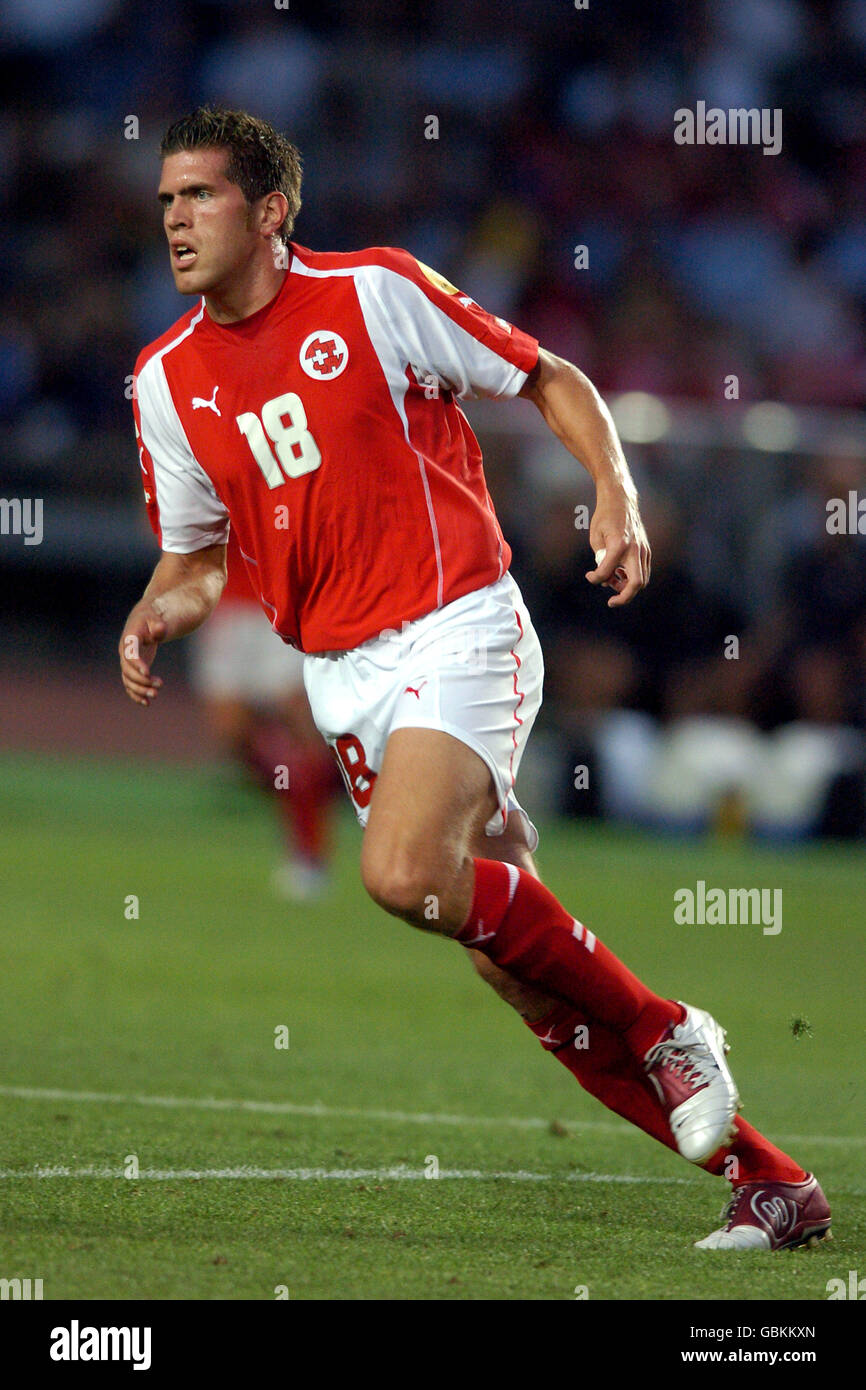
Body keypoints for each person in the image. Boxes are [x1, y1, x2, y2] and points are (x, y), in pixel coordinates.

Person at [119, 106, 830, 1251]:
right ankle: (772, 1184)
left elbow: (546, 376)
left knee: (401, 874)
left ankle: (668, 1025)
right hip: (338, 675)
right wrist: (161, 604)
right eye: (164, 201)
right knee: (530, 985)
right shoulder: (163, 379)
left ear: (269, 211)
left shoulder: (373, 291)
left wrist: (615, 490)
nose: (175, 221)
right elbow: (200, 553)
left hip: (456, 624)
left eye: (197, 196)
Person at [188, 529, 338, 899]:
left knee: (302, 723)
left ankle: (309, 855)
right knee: (233, 733)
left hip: (282, 604)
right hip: (224, 606)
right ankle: (325, 790)